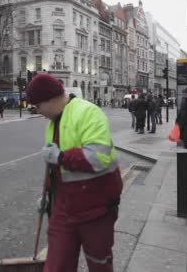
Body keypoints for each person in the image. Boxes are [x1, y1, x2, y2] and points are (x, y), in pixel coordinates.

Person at [26, 73, 123, 272]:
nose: (38, 111)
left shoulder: (88, 112)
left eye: (38, 106)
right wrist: (48, 195)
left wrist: (61, 157)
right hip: (64, 208)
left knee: (99, 263)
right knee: (57, 264)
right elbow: (54, 169)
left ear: (50, 100)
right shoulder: (52, 123)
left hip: (96, 209)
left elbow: (99, 156)